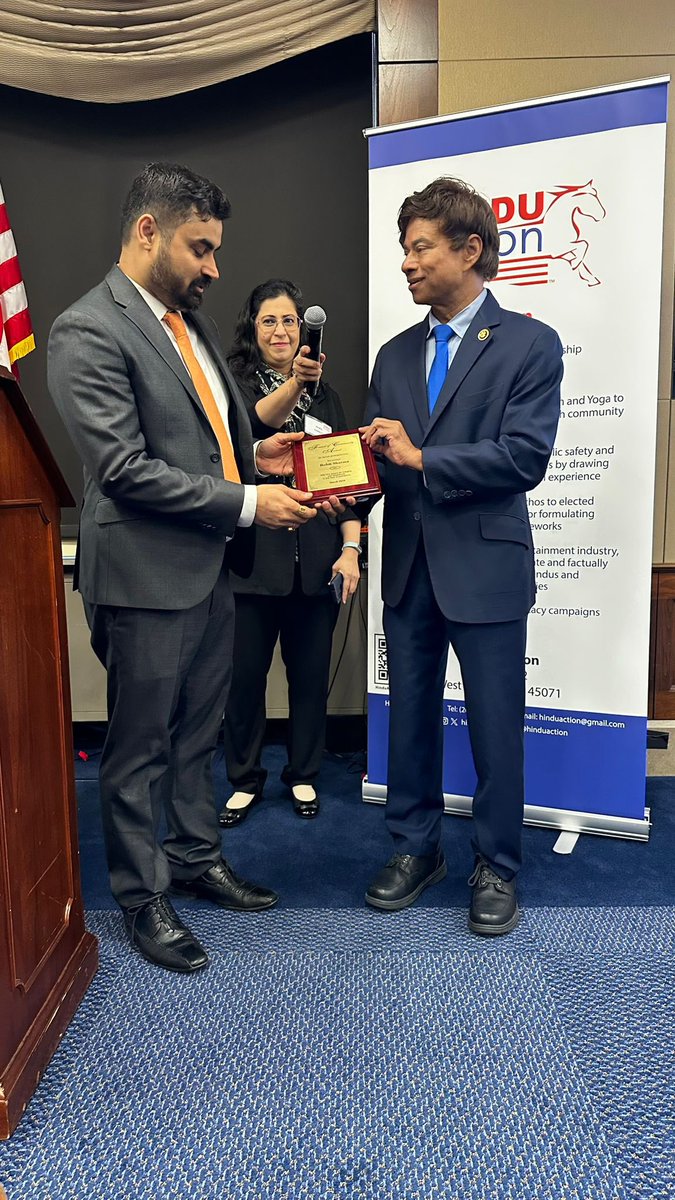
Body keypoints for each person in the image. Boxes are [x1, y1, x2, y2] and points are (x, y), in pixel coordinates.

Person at [48, 163, 320, 973]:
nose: (213, 268)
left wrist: (254, 455)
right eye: (200, 248)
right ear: (147, 231)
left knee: (198, 735)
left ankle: (196, 860)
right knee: (139, 748)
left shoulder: (188, 323)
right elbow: (124, 468)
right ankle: (142, 897)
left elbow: (204, 438)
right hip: (143, 577)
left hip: (208, 576)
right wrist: (245, 504)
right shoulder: (86, 329)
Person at [360, 176, 563, 935]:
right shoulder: (393, 353)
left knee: (493, 725)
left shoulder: (529, 345)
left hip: (484, 567)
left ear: (469, 248)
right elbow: (379, 462)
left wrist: (420, 459)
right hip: (408, 567)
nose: (407, 264)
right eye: (403, 250)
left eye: (420, 248)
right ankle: (416, 849)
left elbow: (523, 457)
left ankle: (496, 865)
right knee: (408, 718)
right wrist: (331, 486)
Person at [219, 279, 361, 825]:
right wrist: (296, 383)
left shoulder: (327, 395)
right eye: (269, 321)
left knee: (309, 678)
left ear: (304, 328)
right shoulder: (234, 387)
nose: (281, 330)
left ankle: (303, 775)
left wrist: (349, 549)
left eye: (290, 320)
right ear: (253, 331)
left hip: (317, 565)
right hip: (253, 566)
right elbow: (255, 427)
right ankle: (243, 778)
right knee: (244, 679)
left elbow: (349, 484)